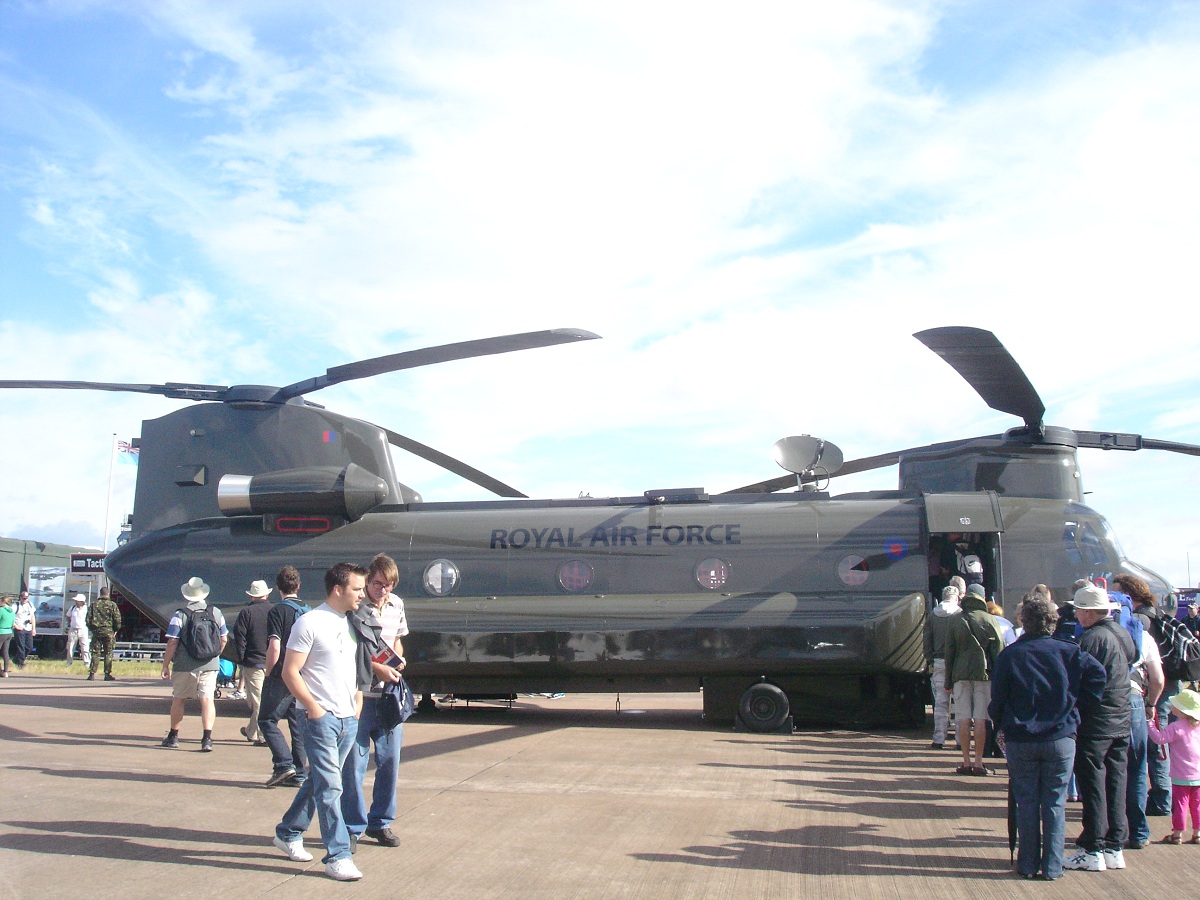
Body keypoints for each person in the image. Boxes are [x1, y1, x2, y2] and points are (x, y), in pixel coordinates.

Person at [990, 589, 1107, 880]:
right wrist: (1077, 709)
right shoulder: (1070, 651)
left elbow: (997, 701)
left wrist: (1002, 724)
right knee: (1054, 804)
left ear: (1024, 622)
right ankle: (1053, 867)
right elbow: (1098, 677)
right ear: (1053, 622)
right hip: (1060, 737)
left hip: (1021, 738)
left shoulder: (1010, 655)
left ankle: (1027, 864)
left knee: (1027, 802)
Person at [272, 562, 367, 882]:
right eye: (357, 589)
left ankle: (288, 832)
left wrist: (357, 699)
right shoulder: (308, 622)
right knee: (331, 786)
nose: (361, 595)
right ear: (338, 589)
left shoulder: (352, 622)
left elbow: (353, 666)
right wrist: (312, 707)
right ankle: (338, 855)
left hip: (347, 718)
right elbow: (289, 670)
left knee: (320, 782)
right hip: (319, 718)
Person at [1064, 583, 1138, 872]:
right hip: (1121, 718)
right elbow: (1130, 660)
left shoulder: (1091, 638)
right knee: (1117, 782)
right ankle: (1114, 846)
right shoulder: (1122, 633)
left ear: (1087, 612)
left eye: (1078, 610)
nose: (1077, 616)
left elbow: (1080, 678)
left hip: (1096, 721)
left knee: (1093, 783)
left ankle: (1093, 846)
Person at [342, 553, 410, 848]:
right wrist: (377, 666)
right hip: (361, 694)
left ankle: (380, 822)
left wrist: (399, 656)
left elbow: (398, 637)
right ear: (368, 581)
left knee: (389, 761)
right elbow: (349, 650)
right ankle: (352, 827)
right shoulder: (355, 608)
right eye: (379, 584)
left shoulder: (396, 605)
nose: (383, 590)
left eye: (389, 585)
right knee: (354, 765)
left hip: (388, 695)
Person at [1116, 572, 1177, 817]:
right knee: (1159, 744)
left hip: (1151, 687)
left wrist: (1151, 701)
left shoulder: (1139, 620)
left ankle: (1162, 799)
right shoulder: (1158, 614)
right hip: (1166, 683)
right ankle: (1163, 797)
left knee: (1154, 747)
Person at [160, 577, 228, 752]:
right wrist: (214, 655)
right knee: (207, 700)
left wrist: (166, 664)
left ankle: (173, 736)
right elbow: (224, 638)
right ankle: (207, 739)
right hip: (210, 664)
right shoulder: (216, 612)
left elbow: (172, 642)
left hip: (184, 664)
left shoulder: (180, 614)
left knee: (179, 699)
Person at [944, 582, 1004, 775]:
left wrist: (948, 680)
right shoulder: (989, 619)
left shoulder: (955, 620)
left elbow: (949, 653)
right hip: (983, 675)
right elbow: (999, 650)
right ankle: (979, 763)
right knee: (980, 719)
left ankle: (965, 761)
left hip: (960, 675)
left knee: (962, 718)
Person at [259, 565, 310, 787]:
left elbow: (275, 645)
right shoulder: (309, 611)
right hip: (304, 673)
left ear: (278, 588)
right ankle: (300, 773)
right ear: (298, 586)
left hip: (282, 673)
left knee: (267, 719)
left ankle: (283, 764)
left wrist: (270, 671)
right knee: (296, 723)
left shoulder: (278, 611)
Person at [1148, 688, 1200, 844]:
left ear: (1181, 710)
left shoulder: (1176, 727)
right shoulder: (1197, 726)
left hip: (1180, 776)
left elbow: (1159, 738)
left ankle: (1177, 834)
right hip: (1198, 775)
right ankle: (1197, 834)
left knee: (1180, 806)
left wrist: (1150, 724)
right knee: (1197, 806)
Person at [233, 579, 273, 746]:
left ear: (251, 595)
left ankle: (262, 735)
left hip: (253, 662)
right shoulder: (274, 611)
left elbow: (239, 637)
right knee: (262, 699)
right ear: (267, 594)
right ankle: (252, 731)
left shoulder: (246, 613)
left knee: (257, 701)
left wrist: (241, 658)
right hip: (272, 661)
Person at [924, 584, 961, 750]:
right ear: (957, 597)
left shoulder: (933, 615)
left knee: (940, 701)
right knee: (960, 702)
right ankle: (961, 739)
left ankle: (939, 738)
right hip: (958, 662)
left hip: (939, 661)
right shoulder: (960, 614)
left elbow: (927, 641)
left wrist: (930, 659)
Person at [86, 587, 122, 681]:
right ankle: (107, 674)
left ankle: (92, 674)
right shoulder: (112, 605)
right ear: (108, 594)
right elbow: (117, 619)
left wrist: (93, 629)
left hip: (97, 632)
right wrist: (115, 630)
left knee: (95, 653)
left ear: (100, 594)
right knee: (108, 653)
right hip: (108, 632)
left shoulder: (94, 605)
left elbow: (88, 620)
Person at [11, 590, 36, 668]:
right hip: (19, 628)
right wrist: (15, 626)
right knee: (21, 646)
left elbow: (32, 617)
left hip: (28, 628)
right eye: (23, 598)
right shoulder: (15, 605)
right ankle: (20, 663)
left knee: (29, 647)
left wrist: (33, 628)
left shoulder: (30, 605)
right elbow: (11, 617)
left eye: (26, 598)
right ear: (20, 597)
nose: (25, 600)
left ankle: (17, 659)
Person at [65, 593, 91, 667]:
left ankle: (87, 663)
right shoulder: (73, 607)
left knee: (85, 647)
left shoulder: (87, 609)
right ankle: (69, 663)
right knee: (70, 647)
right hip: (73, 629)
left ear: (82, 601)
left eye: (77, 600)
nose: (76, 602)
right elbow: (67, 616)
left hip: (83, 629)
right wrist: (71, 624)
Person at [0, 596, 14, 677]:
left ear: (4, 602)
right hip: (9, 632)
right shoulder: (11, 611)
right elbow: (13, 623)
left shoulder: (1, 610)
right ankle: (5, 671)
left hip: (1, 632)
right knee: (5, 652)